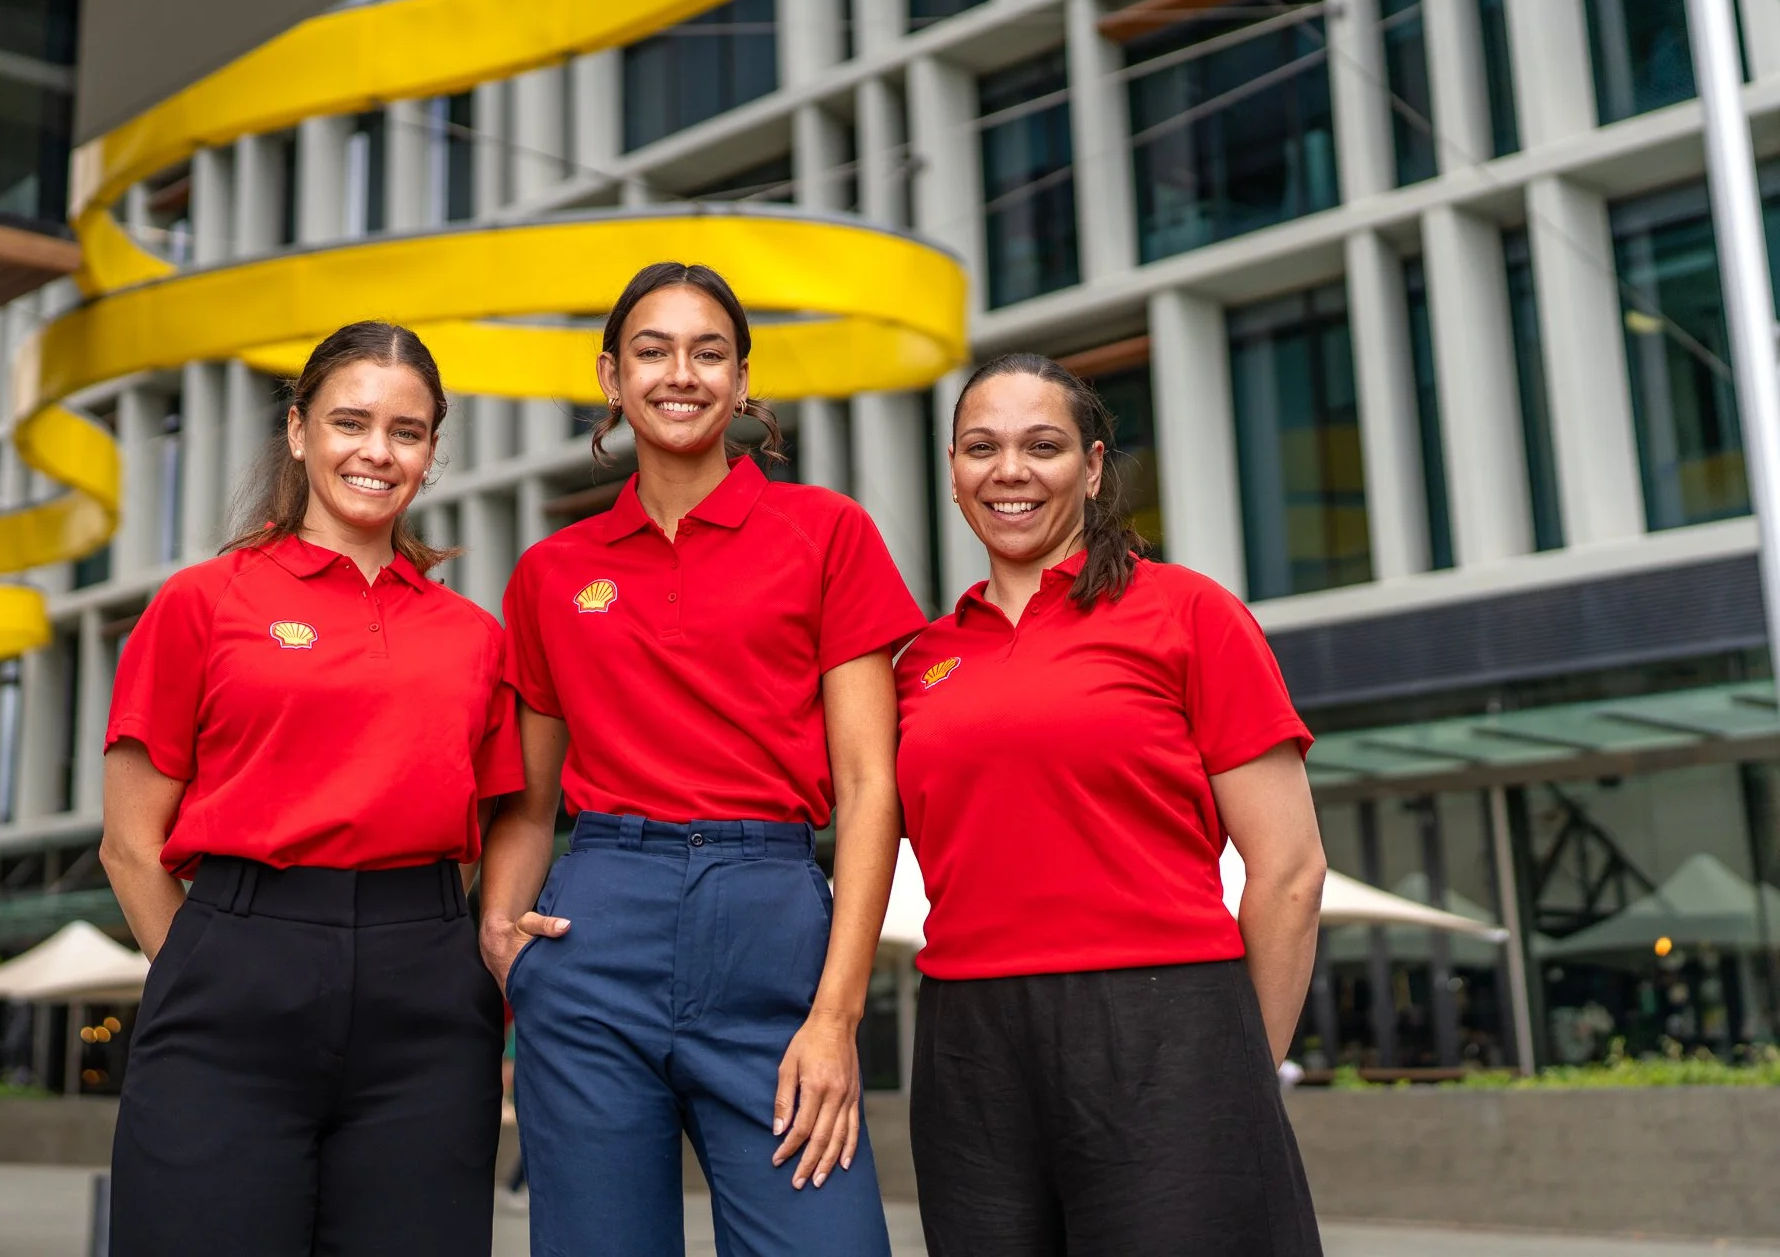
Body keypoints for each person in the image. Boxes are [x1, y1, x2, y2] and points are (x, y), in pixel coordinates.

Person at [478, 262, 925, 1257]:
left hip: (771, 927)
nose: (680, 373)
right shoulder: (554, 571)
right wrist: (503, 939)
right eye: (653, 351)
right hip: (596, 933)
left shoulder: (828, 532)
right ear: (611, 376)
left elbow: (870, 788)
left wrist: (836, 1016)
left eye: (707, 352)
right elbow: (530, 802)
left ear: (741, 378)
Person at [101, 321, 521, 1257]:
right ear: (298, 431)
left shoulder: (475, 637)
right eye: (350, 422)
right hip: (234, 979)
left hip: (426, 997)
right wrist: (209, 970)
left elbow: (492, 823)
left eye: (406, 432)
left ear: (432, 453)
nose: (378, 452)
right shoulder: (204, 600)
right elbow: (128, 845)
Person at [898, 353, 1327, 1257]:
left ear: (1092, 468)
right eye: (982, 448)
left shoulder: (1190, 613)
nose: (1009, 471)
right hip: (967, 1045)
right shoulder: (921, 663)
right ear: (954, 471)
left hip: (1167, 1027)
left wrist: (1236, 1075)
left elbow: (1290, 872)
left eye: (1041, 446)